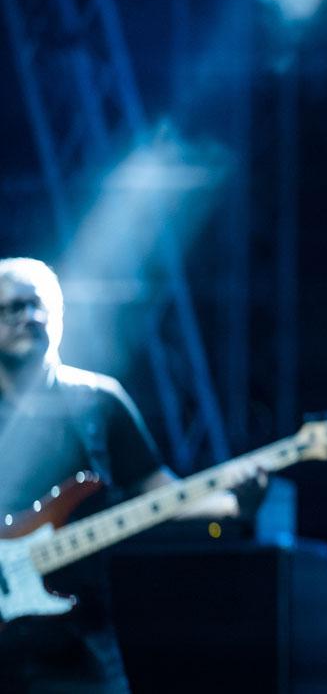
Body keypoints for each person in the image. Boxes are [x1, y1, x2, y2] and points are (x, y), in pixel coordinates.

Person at [0, 257, 244, 693]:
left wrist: (232, 503)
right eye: (14, 307)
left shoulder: (98, 402)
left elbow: (157, 493)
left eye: (39, 306)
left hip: (79, 643)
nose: (30, 317)